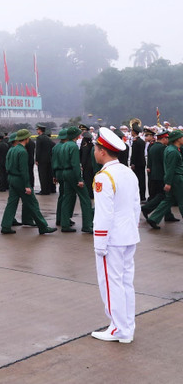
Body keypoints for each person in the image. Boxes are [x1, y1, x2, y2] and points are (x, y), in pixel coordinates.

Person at [89, 128, 140, 344]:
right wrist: (132, 229)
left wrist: (100, 243)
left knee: (110, 284)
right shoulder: (128, 172)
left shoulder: (104, 176)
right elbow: (136, 206)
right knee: (126, 283)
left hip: (112, 239)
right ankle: (126, 326)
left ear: (102, 151)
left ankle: (118, 328)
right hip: (129, 235)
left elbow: (103, 213)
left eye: (95, 148)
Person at [0, 130, 56, 235]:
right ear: (26, 139)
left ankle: (5, 225)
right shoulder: (22, 151)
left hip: (11, 178)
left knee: (11, 203)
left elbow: (7, 166)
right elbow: (24, 171)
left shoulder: (12, 150)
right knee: (32, 203)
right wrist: (27, 185)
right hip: (20, 180)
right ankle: (43, 226)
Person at [145, 130, 183, 228]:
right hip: (176, 179)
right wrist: (168, 182)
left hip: (172, 178)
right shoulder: (173, 151)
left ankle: (154, 218)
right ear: (178, 139)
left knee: (168, 200)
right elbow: (171, 168)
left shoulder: (169, 149)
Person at [59, 127, 94, 233]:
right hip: (73, 174)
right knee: (85, 199)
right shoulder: (73, 146)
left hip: (65, 172)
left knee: (67, 198)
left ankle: (64, 224)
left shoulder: (64, 145)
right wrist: (79, 179)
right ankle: (87, 225)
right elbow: (75, 164)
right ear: (76, 136)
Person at [35, 125, 55, 195]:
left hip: (42, 160)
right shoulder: (47, 138)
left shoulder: (39, 138)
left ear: (40, 130)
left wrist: (37, 159)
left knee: (42, 175)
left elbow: (38, 150)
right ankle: (49, 189)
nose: (37, 131)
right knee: (48, 175)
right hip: (48, 159)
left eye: (37, 130)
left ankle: (44, 190)